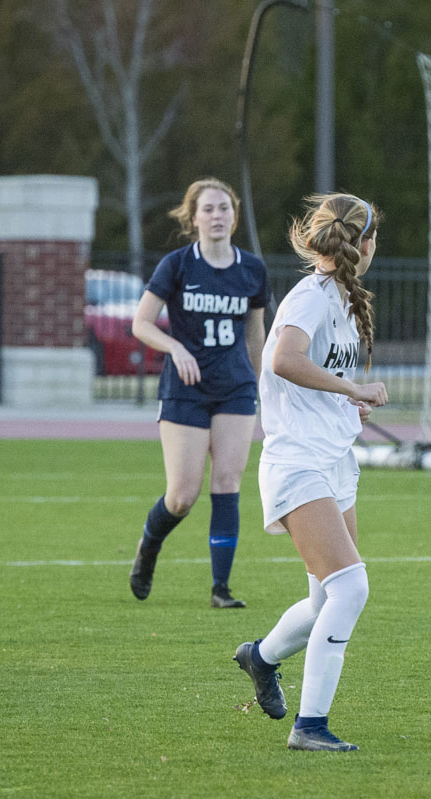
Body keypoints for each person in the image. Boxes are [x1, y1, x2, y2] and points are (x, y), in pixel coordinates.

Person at [233, 193, 387, 752]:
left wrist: (347, 403)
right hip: (297, 463)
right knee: (352, 588)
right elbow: (283, 360)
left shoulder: (343, 298)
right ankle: (310, 727)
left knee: (326, 599)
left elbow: (311, 377)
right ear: (363, 243)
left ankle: (260, 656)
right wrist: (351, 387)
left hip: (333, 459)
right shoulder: (311, 296)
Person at [128, 177, 271, 608]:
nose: (217, 216)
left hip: (235, 389)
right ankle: (148, 546)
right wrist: (175, 348)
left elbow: (255, 336)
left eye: (224, 208)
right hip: (185, 390)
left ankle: (220, 589)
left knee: (227, 481)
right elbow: (141, 323)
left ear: (234, 215)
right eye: (208, 209)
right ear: (194, 218)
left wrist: (262, 387)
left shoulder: (252, 269)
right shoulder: (176, 265)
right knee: (183, 496)